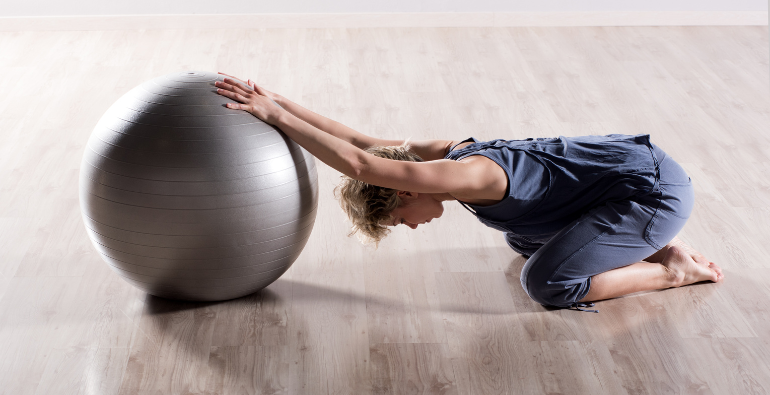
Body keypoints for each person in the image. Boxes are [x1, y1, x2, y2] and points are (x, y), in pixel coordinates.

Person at [215, 73, 724, 311]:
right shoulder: (443, 151)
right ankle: (653, 243)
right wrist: (278, 97)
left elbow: (358, 160)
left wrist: (273, 116)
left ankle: (670, 270)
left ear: (402, 192)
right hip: (631, 172)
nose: (410, 226)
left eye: (399, 220)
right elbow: (359, 139)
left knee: (546, 284)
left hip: (653, 192)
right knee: (522, 240)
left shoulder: (461, 176)